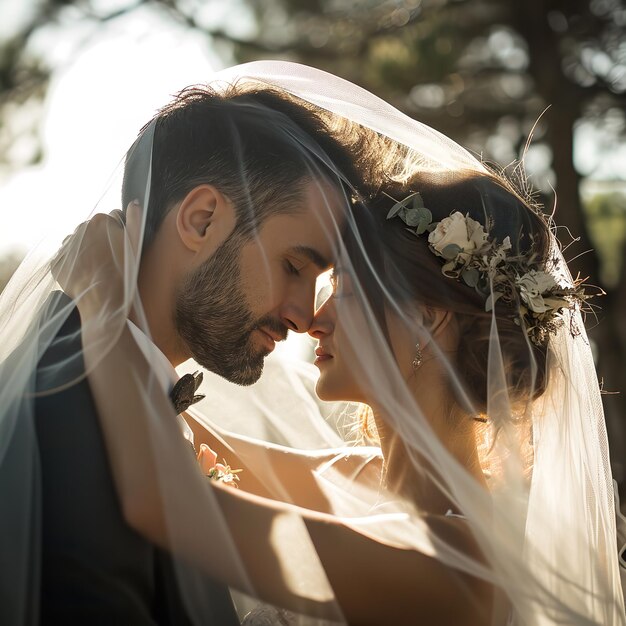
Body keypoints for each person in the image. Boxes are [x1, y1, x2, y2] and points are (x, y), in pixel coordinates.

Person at [0, 80, 376, 625]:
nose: (302, 316)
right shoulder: (60, 408)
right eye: (294, 267)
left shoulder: (130, 401)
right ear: (201, 219)